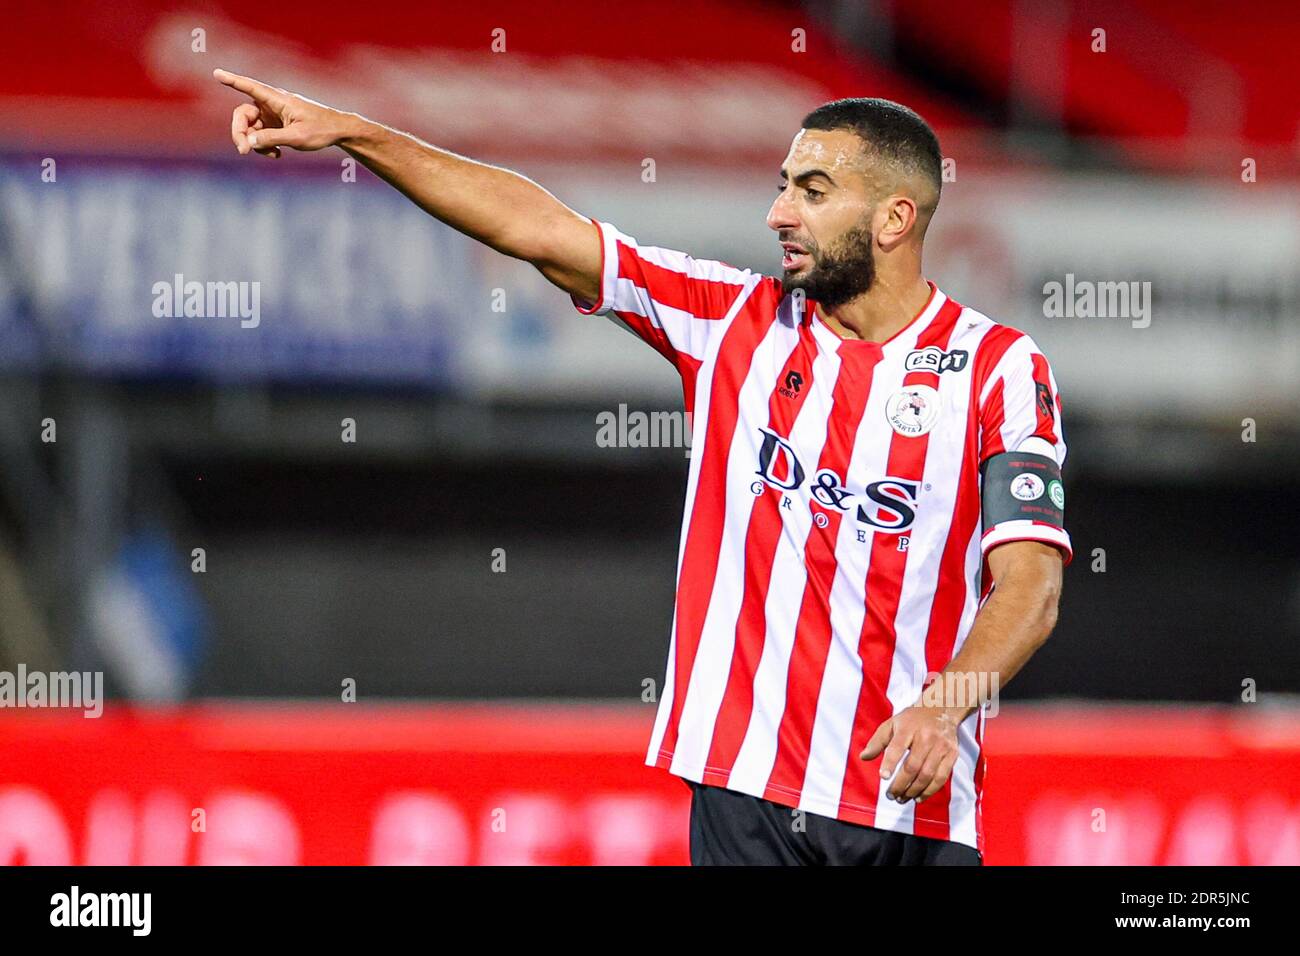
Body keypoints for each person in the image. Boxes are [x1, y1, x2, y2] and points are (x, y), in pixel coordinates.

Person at [215, 70, 1070, 865]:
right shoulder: (733, 322)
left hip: (912, 808)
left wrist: (945, 702)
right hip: (745, 794)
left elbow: (1029, 585)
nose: (779, 213)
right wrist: (355, 134)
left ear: (892, 219)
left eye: (812, 192)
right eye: (782, 186)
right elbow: (537, 228)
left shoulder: (997, 367)